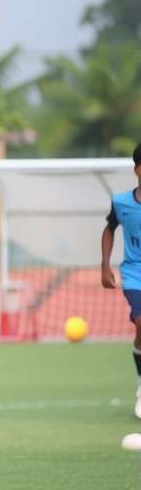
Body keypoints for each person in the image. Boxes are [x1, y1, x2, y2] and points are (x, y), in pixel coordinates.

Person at [101, 143, 141, 419]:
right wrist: (105, 265)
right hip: (134, 273)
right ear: (137, 170)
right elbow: (109, 229)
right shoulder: (121, 202)